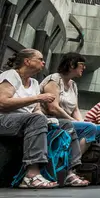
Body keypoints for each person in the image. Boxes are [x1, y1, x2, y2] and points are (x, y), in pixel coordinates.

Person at [0, 49, 88, 188]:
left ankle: (69, 172)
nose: (43, 62)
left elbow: (36, 109)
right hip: (5, 119)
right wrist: (38, 98)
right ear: (27, 61)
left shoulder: (34, 83)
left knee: (65, 124)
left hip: (26, 120)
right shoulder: (11, 75)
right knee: (37, 119)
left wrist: (48, 121)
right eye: (40, 59)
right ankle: (31, 175)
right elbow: (2, 103)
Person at [40, 53, 100, 155]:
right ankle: (73, 164)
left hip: (68, 121)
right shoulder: (54, 80)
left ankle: (92, 162)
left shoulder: (73, 85)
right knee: (89, 128)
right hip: (53, 121)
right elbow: (53, 108)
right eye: (82, 64)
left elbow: (75, 109)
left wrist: (81, 122)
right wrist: (72, 120)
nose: (84, 67)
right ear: (71, 64)